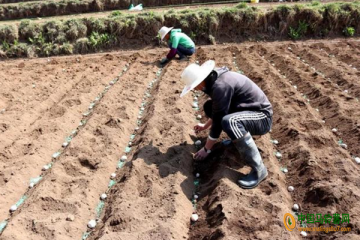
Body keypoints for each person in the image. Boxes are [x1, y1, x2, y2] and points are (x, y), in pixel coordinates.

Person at [179, 60, 273, 189]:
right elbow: (219, 109)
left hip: (261, 117)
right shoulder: (214, 79)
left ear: (200, 81)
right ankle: (238, 141)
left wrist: (207, 148)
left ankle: (259, 170)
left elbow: (218, 119)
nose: (195, 89)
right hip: (246, 111)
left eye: (194, 86)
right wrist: (205, 126)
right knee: (209, 107)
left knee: (230, 122)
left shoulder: (220, 86)